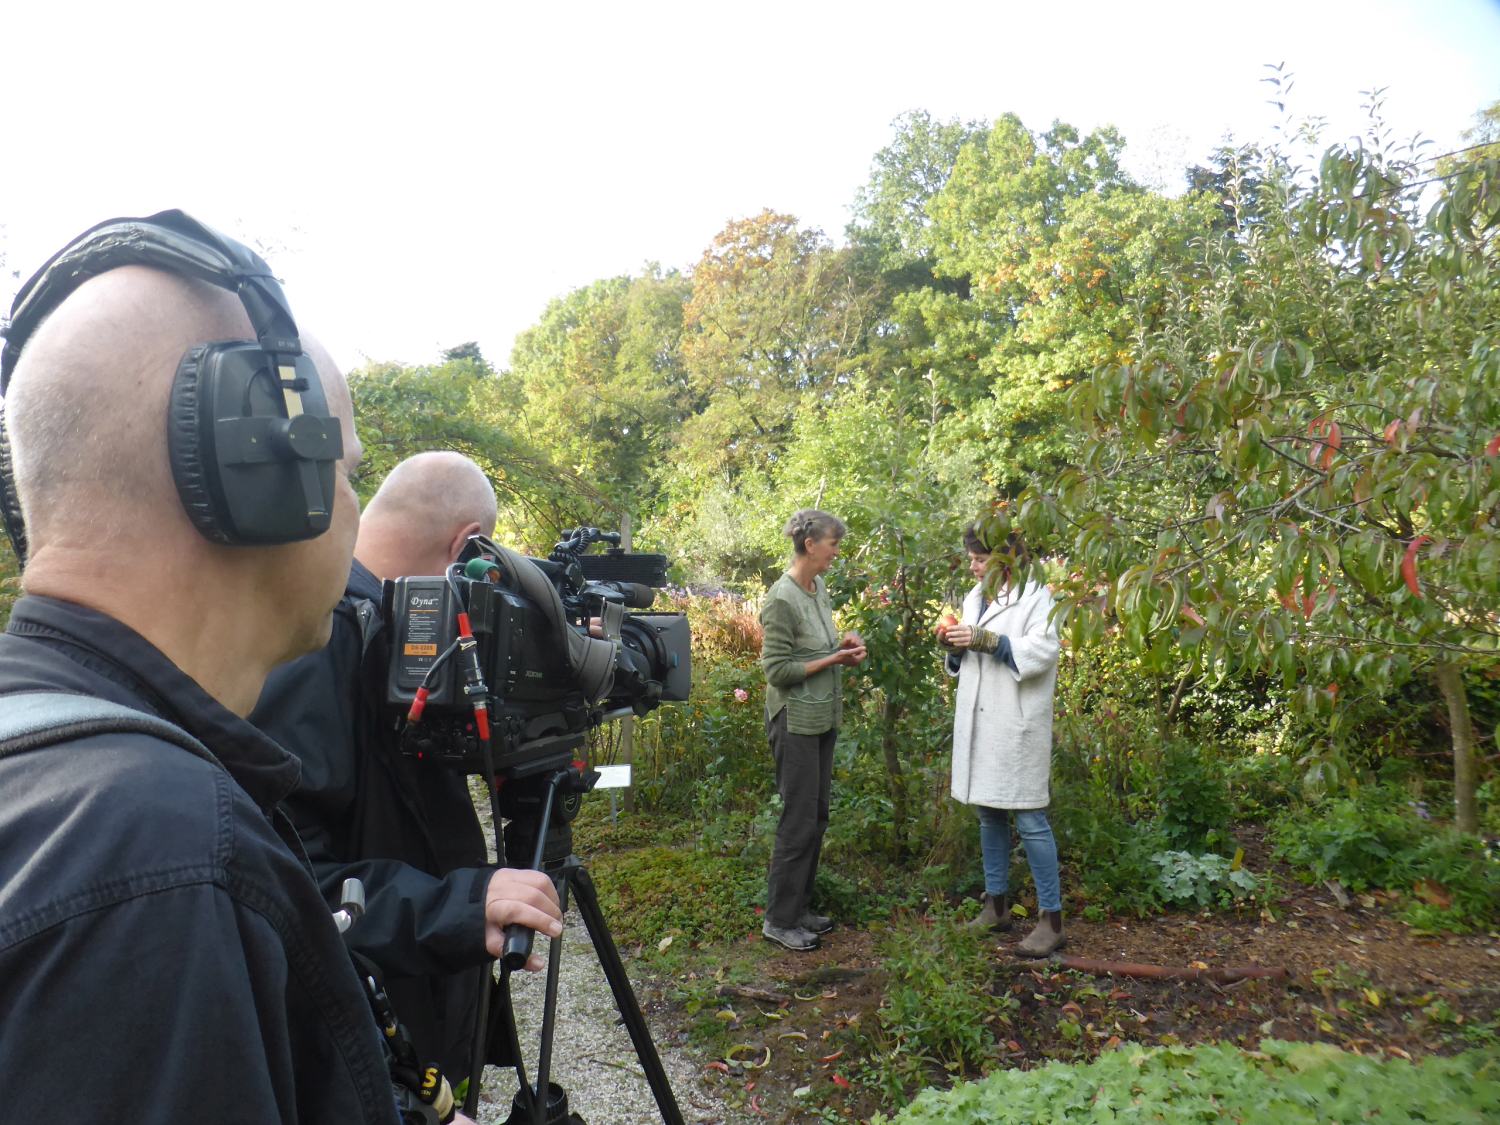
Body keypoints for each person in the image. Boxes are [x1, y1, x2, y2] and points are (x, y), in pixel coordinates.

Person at [0, 214, 563, 1123]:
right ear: (257, 487)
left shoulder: (67, 767)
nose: (350, 513)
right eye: (342, 472)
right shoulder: (166, 860)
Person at [251, 449, 519, 1085]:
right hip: (370, 1032)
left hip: (410, 999)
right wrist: (456, 908)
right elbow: (287, 877)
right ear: (468, 545)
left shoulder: (397, 628)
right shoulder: (323, 637)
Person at [942, 522, 1064, 957]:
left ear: (1005, 558)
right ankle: (996, 906)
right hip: (980, 718)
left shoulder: (1037, 596)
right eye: (973, 560)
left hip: (1016, 720)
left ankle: (1051, 919)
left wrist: (989, 640)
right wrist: (955, 646)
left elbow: (1045, 649)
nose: (973, 568)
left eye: (979, 559)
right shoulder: (977, 597)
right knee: (988, 812)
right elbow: (967, 650)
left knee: (1029, 818)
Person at [758, 509, 867, 951]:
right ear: (810, 546)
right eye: (833, 545)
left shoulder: (816, 589)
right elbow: (777, 670)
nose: (836, 553)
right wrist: (832, 661)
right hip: (795, 722)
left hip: (822, 717)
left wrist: (843, 644)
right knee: (798, 820)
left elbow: (817, 646)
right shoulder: (781, 598)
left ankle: (800, 909)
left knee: (816, 817)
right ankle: (779, 920)